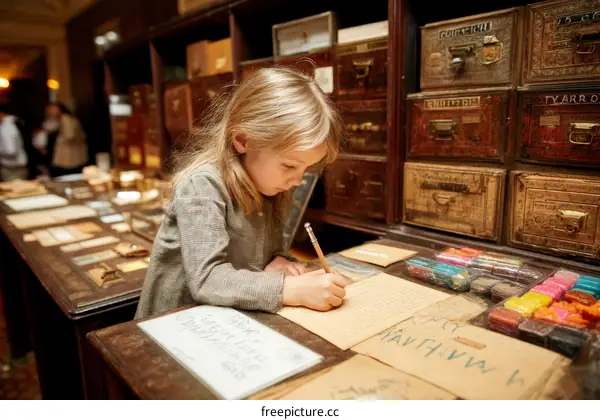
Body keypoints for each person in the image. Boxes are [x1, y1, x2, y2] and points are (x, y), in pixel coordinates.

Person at [135, 67, 347, 319]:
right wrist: (287, 288)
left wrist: (278, 259)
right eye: (290, 165)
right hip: (171, 324)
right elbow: (207, 280)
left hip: (227, 321)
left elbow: (263, 252)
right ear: (243, 141)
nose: (297, 180)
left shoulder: (271, 184)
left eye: (307, 168)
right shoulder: (201, 185)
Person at [41, 102, 88, 178]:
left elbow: (70, 135)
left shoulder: (65, 118)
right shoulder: (62, 119)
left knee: (67, 176)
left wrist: (58, 139)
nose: (50, 111)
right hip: (70, 156)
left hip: (68, 156)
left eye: (52, 109)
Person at [0, 104, 28, 181]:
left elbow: (10, 151)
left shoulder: (6, 127)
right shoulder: (16, 122)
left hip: (12, 168)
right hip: (19, 165)